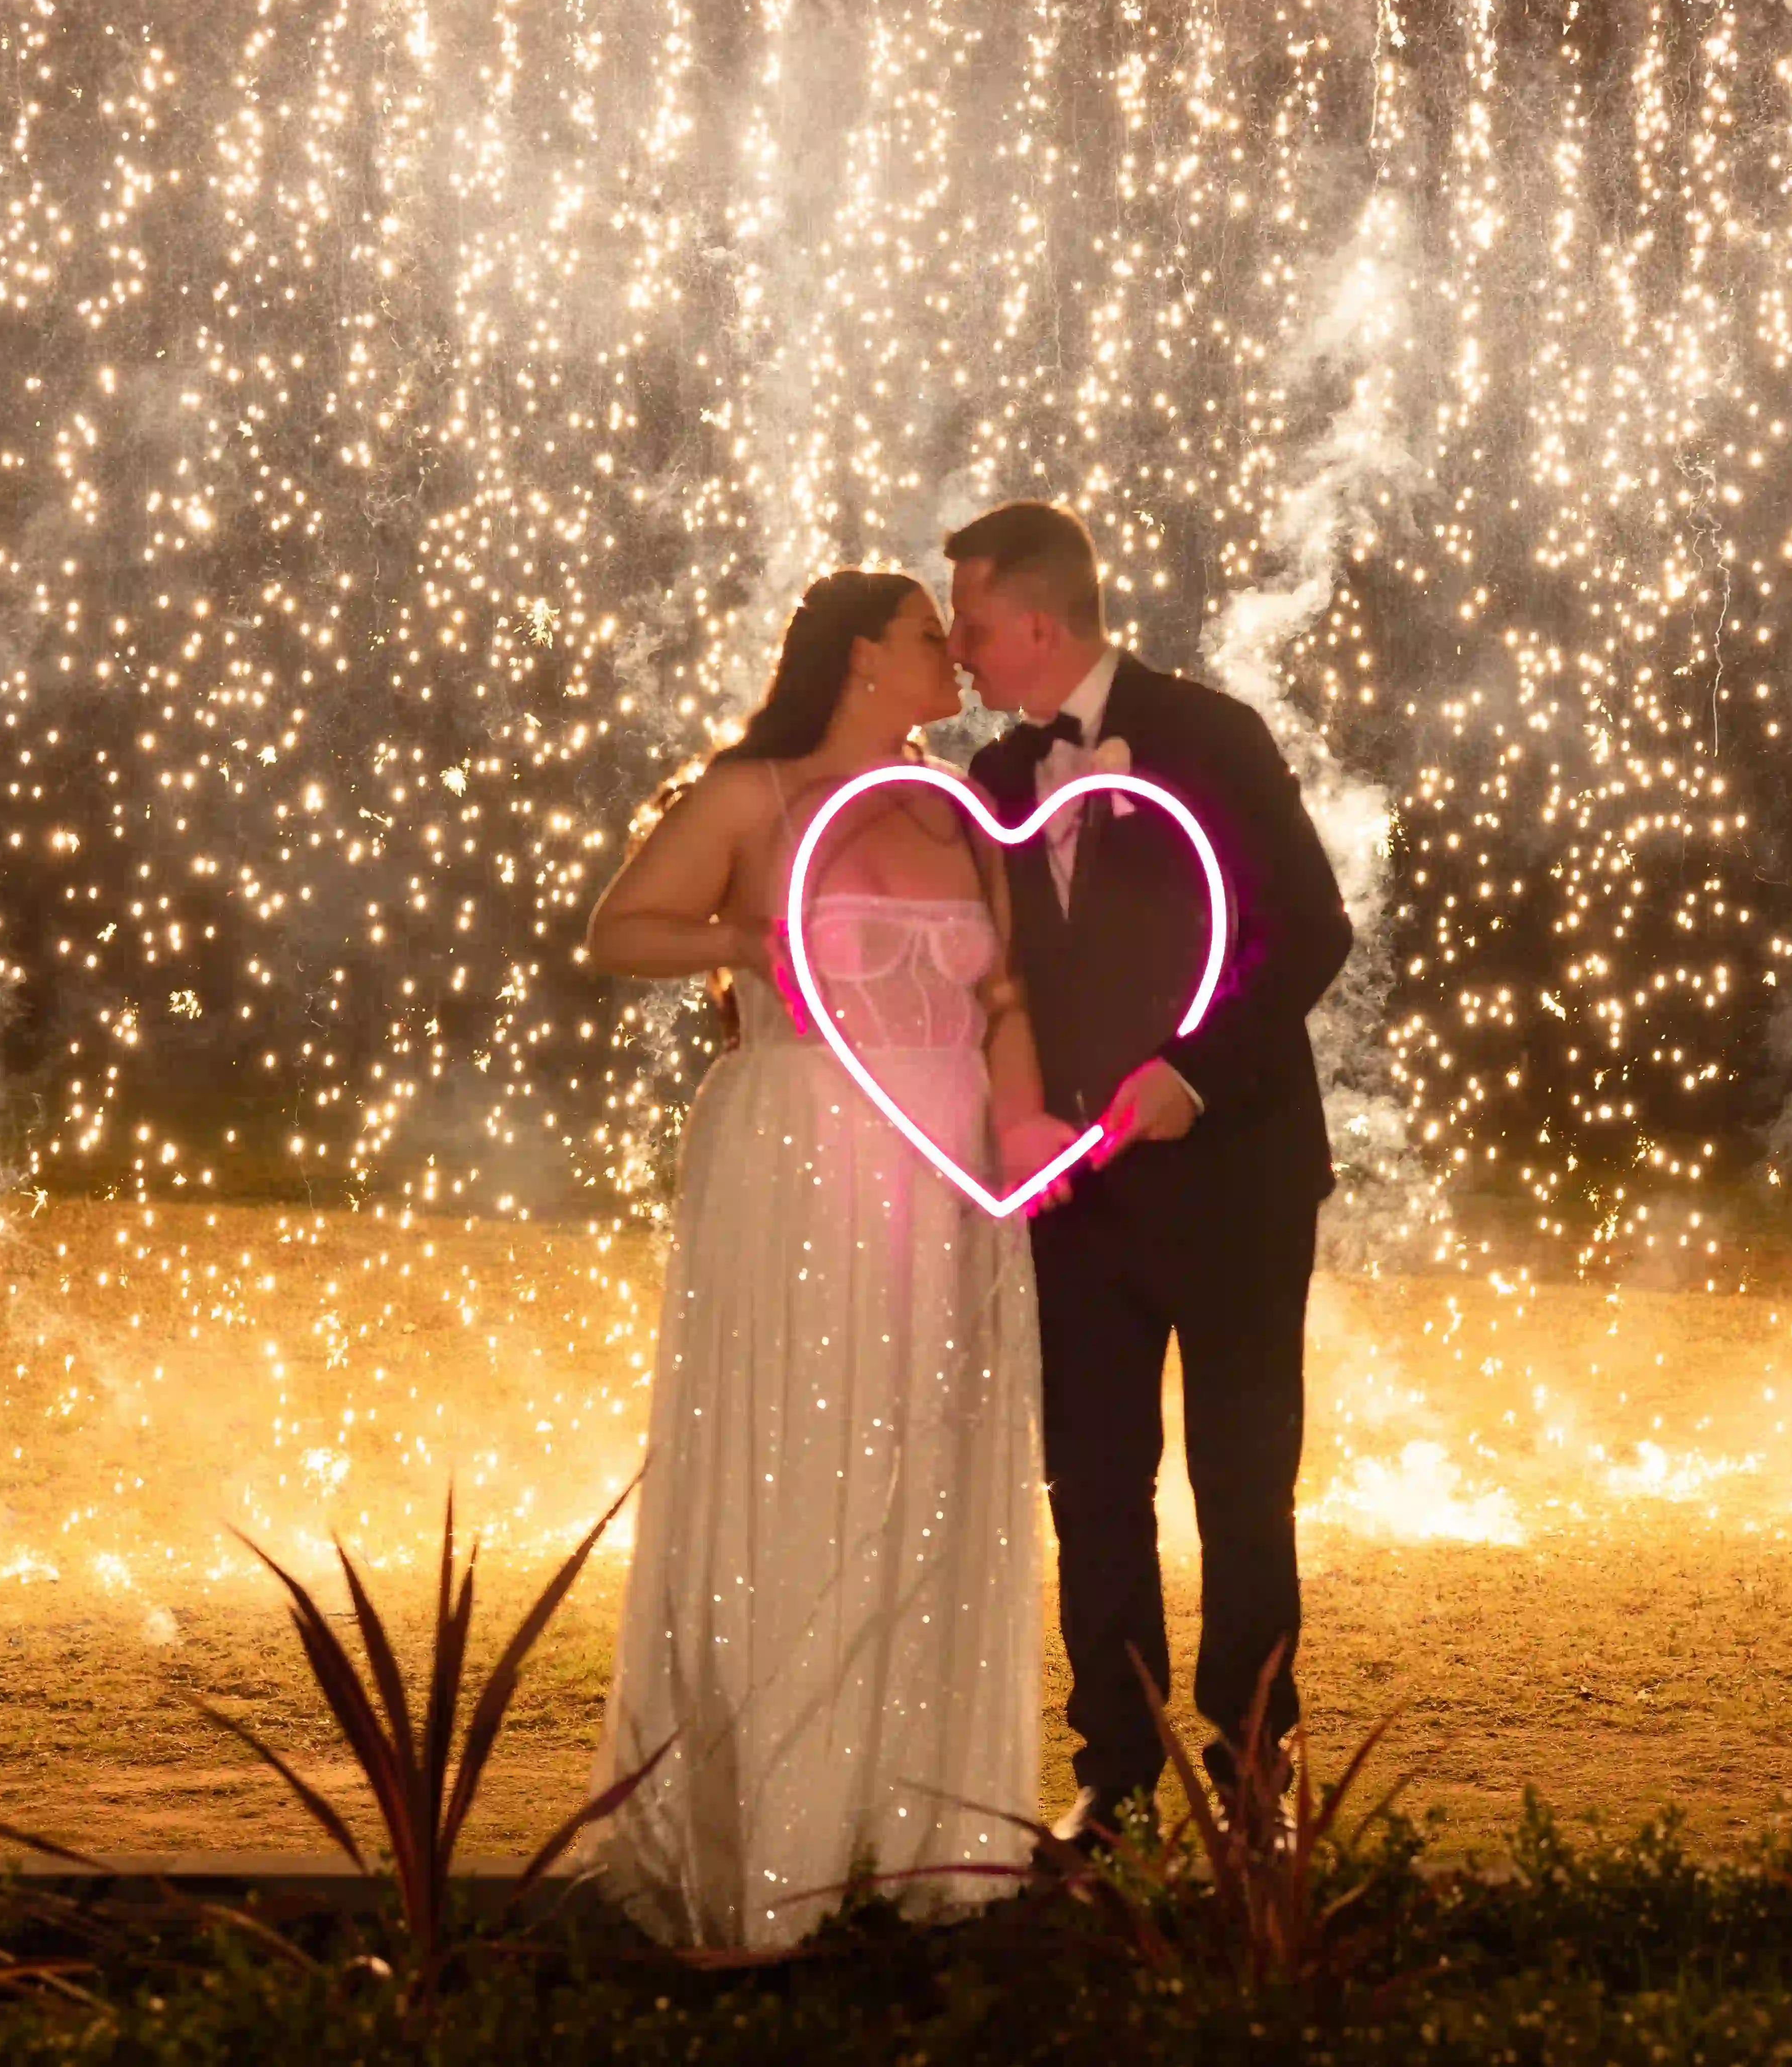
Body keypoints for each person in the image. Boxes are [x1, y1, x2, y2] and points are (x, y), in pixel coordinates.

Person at [580, 570, 1066, 1950]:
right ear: (862, 655)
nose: (955, 656)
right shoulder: (756, 793)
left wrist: (1024, 1130)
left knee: (927, 1466)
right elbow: (617, 930)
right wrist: (747, 940)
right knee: (805, 1458)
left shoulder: (958, 809)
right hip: (798, 1149)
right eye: (930, 635)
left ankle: (920, 1833)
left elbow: (1000, 993)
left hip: (951, 1165)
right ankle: (776, 1838)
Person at [944, 502, 1353, 1846]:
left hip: (1233, 1179)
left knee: (1243, 1478)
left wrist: (1190, 1071)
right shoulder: (994, 780)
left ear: (1039, 625)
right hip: (1079, 1198)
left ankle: (1250, 1769)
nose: (959, 649)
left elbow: (1304, 928)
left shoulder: (1208, 736)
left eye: (973, 622)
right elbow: (993, 981)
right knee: (1095, 1483)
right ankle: (1114, 1772)